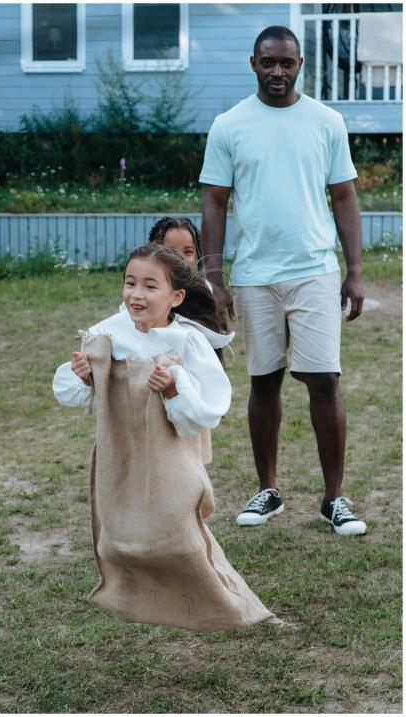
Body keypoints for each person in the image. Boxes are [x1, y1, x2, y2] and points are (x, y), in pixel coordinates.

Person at [52, 244, 281, 632]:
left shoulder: (186, 343)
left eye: (149, 286)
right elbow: (79, 397)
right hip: (120, 447)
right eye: (130, 283)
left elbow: (207, 410)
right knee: (120, 535)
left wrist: (174, 387)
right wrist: (84, 375)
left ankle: (227, 605)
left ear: (176, 297)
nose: (136, 295)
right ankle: (136, 597)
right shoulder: (106, 334)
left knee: (179, 537)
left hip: (168, 452)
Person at [199, 25, 367, 536]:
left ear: (300, 65)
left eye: (287, 63)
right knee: (264, 381)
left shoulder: (326, 120)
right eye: (268, 62)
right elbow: (214, 200)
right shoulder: (229, 125)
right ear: (253, 63)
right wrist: (214, 276)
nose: (278, 71)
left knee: (323, 381)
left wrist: (355, 270)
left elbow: (344, 196)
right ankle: (268, 490)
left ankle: (334, 498)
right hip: (254, 277)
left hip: (314, 271)